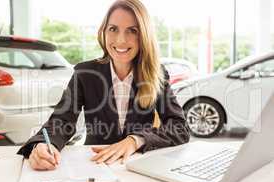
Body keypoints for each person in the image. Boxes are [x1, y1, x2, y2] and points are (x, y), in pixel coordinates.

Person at [17, 0, 190, 170]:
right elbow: (62, 121)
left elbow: (179, 127)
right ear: (104, 32)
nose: (121, 40)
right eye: (113, 29)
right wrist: (42, 145)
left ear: (144, 36)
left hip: (138, 167)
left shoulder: (156, 74)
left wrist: (136, 140)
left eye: (132, 30)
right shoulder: (85, 73)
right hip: (96, 165)